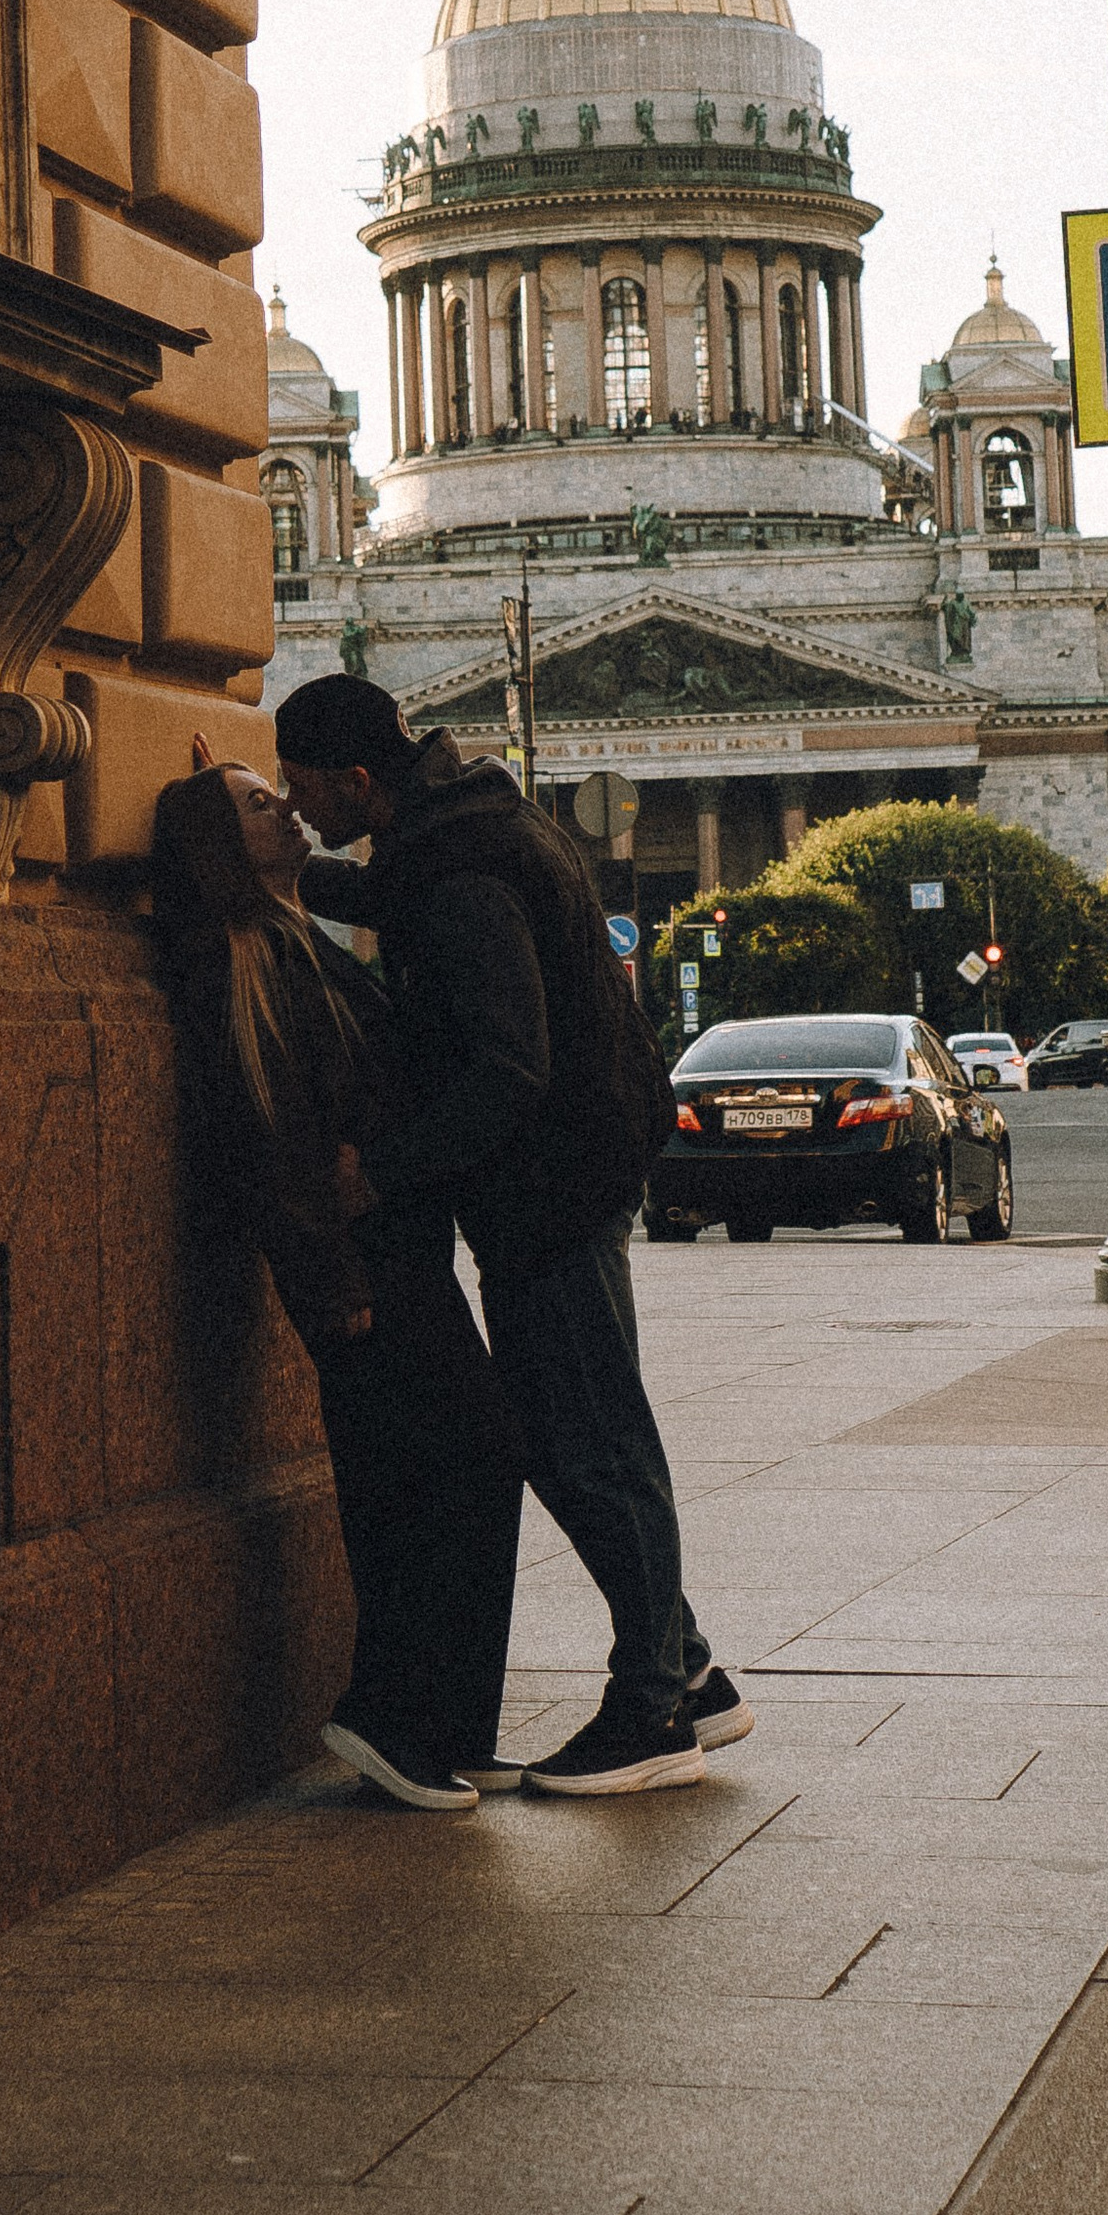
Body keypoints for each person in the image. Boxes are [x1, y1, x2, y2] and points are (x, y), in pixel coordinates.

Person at [273, 672, 746, 1797]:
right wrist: (297, 873)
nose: (296, 812)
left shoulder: (459, 865)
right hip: (565, 1172)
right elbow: (409, 897)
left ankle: (651, 1717)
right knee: (572, 1434)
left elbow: (505, 1065)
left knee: (589, 1445)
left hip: (551, 1185)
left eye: (299, 793)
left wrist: (377, 1173)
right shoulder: (459, 824)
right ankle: (690, 1671)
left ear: (354, 778)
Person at [149, 760, 525, 1813]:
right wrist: (326, 1280)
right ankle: (390, 1716)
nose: (286, 808)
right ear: (222, 845)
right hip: (360, 1265)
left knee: (453, 1469)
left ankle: (444, 1720)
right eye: (257, 804)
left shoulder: (289, 936)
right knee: (434, 1475)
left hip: (397, 1246)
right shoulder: (237, 958)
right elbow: (269, 1133)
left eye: (277, 792)